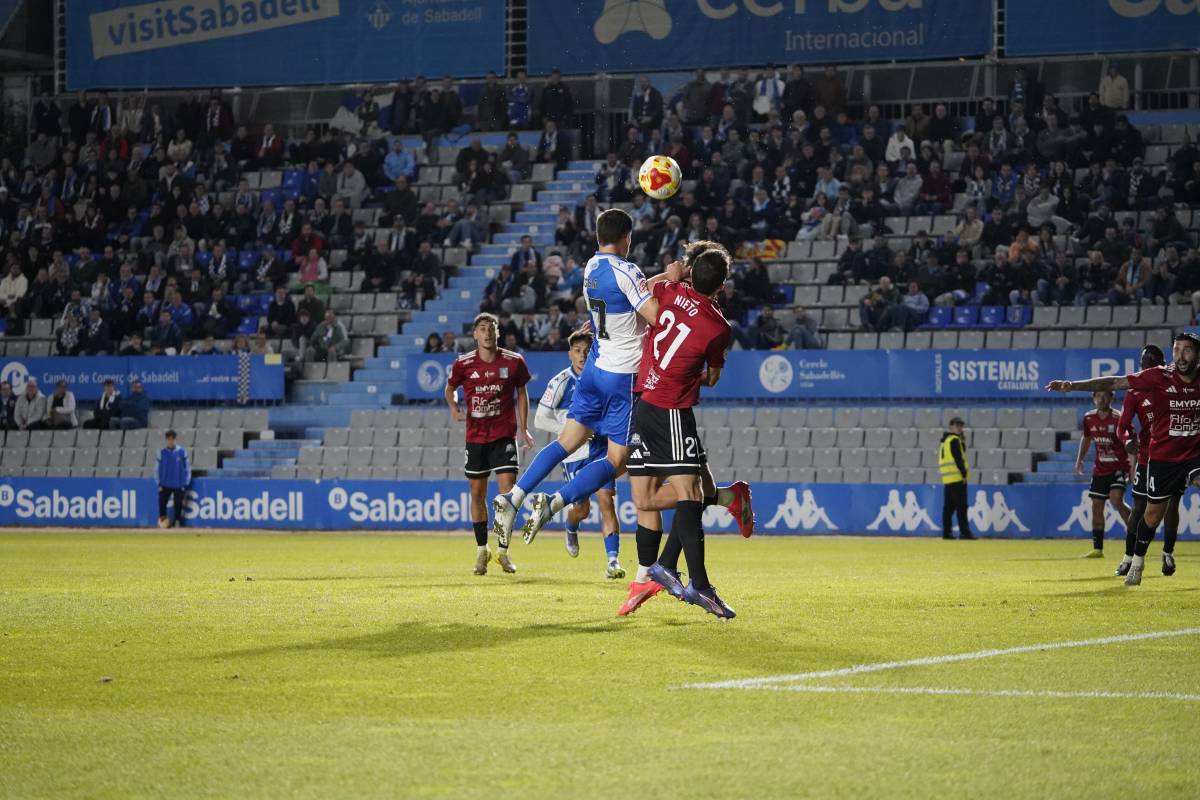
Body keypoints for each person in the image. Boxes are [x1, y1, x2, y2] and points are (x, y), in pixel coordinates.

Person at [491, 209, 683, 546]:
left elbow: (625, 291)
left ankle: (514, 496)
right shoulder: (629, 270)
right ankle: (554, 502)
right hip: (623, 377)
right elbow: (654, 316)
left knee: (566, 442)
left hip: (594, 369)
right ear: (628, 237)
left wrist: (660, 278)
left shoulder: (592, 267)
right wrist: (676, 283)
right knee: (616, 460)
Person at [624, 247, 737, 619]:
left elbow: (640, 294)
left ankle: (666, 567)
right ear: (722, 284)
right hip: (671, 407)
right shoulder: (719, 328)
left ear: (690, 272)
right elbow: (714, 377)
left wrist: (668, 276)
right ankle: (700, 586)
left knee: (659, 496)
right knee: (691, 493)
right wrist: (689, 371)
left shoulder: (670, 291)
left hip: (643, 400)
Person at [1046, 332, 1200, 586]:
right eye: (1177, 350)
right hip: (1162, 458)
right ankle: (1136, 561)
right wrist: (1072, 385)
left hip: (1194, 454)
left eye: (1188, 350)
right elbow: (1115, 382)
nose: (1181, 356)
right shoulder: (1157, 377)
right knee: (1150, 516)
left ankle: (1167, 554)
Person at [445, 313, 533, 576]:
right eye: (482, 329)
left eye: (491, 328)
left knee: (507, 495)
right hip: (476, 437)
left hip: (504, 435)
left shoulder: (514, 361)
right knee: (476, 494)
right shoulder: (463, 363)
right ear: (475, 335)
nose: (487, 333)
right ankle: (481, 550)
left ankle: (504, 552)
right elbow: (450, 389)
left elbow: (522, 393)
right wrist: (453, 407)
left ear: (498, 333)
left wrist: (524, 427)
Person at [535, 330, 624, 579]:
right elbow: (541, 418)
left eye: (586, 350)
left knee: (607, 501)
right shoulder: (561, 381)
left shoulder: (603, 377)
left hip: (601, 449)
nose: (582, 355)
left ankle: (613, 561)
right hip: (575, 454)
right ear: (569, 354)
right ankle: (571, 525)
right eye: (577, 351)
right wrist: (574, 431)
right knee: (582, 509)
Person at [1116, 345, 1179, 578]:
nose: (1145, 364)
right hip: (1146, 457)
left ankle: (1168, 553)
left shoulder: (1174, 385)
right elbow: (1122, 425)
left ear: (1160, 364)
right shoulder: (1134, 392)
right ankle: (1128, 557)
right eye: (1144, 360)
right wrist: (1126, 440)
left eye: (1151, 361)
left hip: (1173, 457)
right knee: (1140, 507)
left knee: (1172, 504)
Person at [1075, 390, 1132, 558]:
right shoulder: (1088, 418)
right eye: (1098, 395)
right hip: (1100, 470)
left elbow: (1130, 442)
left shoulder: (1118, 417)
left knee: (1116, 500)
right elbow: (1086, 438)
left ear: (1111, 398)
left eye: (1105, 395)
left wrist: (1131, 468)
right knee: (1096, 507)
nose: (1101, 398)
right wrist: (1080, 460)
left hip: (1118, 468)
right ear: (1093, 398)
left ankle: (1136, 534)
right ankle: (1098, 549)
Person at [938, 417, 975, 541]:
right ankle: (964, 532)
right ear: (951, 426)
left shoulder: (945, 441)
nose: (959, 428)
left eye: (961, 426)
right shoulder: (954, 440)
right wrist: (964, 475)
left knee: (948, 508)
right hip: (957, 478)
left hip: (948, 479)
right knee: (961, 507)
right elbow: (958, 459)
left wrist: (962, 441)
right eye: (957, 425)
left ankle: (947, 533)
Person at [156, 429, 191, 528]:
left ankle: (177, 521)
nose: (171, 441)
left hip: (179, 483)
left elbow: (187, 468)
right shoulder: (161, 452)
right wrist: (158, 482)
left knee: (178, 503)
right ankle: (163, 521)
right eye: (169, 439)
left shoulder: (182, 452)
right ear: (166, 440)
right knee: (162, 502)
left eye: (172, 439)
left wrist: (186, 482)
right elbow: (156, 469)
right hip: (165, 483)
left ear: (175, 439)